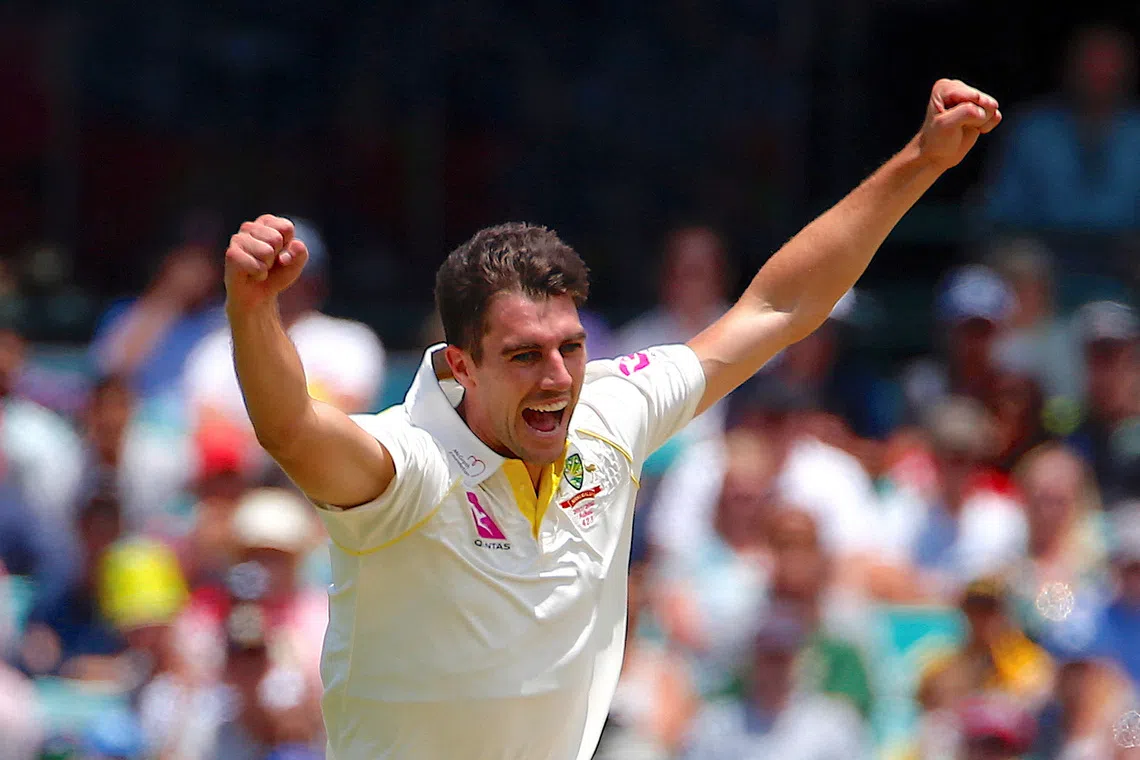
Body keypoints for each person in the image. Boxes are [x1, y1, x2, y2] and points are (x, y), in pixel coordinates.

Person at [221, 78, 1002, 759]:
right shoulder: (410, 463)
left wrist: (920, 161)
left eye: (570, 346)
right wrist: (253, 311)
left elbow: (778, 307)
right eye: (525, 356)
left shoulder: (609, 414)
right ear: (462, 365)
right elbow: (291, 429)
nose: (559, 379)